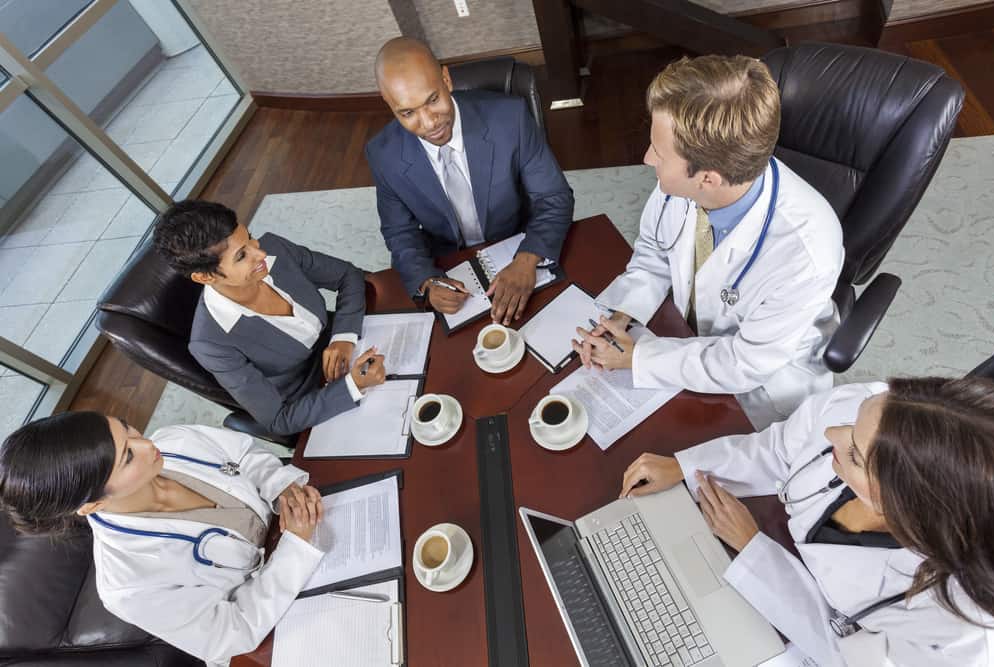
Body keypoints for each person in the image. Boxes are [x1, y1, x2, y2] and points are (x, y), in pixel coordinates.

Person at [619, 377, 994, 665]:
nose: (832, 433)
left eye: (854, 454)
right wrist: (685, 467)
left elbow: (845, 654)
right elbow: (780, 448)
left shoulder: (955, 633)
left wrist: (756, 552)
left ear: (905, 505)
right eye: (853, 420)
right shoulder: (870, 409)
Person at [573, 55, 844, 429]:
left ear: (708, 179)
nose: (647, 158)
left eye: (659, 153)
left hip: (763, 386)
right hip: (690, 338)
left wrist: (638, 359)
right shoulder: (686, 184)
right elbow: (654, 249)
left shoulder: (806, 252)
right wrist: (623, 313)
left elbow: (742, 364)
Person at [0, 412, 327, 666]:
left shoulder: (175, 439)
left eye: (127, 428)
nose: (147, 444)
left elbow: (245, 454)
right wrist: (295, 549)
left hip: (303, 533)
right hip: (282, 620)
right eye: (128, 457)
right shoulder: (127, 586)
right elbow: (232, 632)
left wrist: (281, 487)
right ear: (92, 505)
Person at [366, 37, 574, 325]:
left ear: (446, 79)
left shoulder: (510, 117)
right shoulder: (382, 154)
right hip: (448, 260)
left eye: (432, 100)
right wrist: (426, 281)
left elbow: (554, 197)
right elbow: (399, 232)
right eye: (408, 113)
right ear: (388, 103)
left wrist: (527, 259)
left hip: (516, 240)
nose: (429, 123)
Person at [153, 200, 386, 436]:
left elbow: (348, 275)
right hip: (314, 395)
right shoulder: (210, 344)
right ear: (205, 277)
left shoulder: (275, 248)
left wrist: (343, 337)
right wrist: (353, 385)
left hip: (349, 337)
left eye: (250, 237)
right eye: (241, 255)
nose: (260, 252)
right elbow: (278, 420)